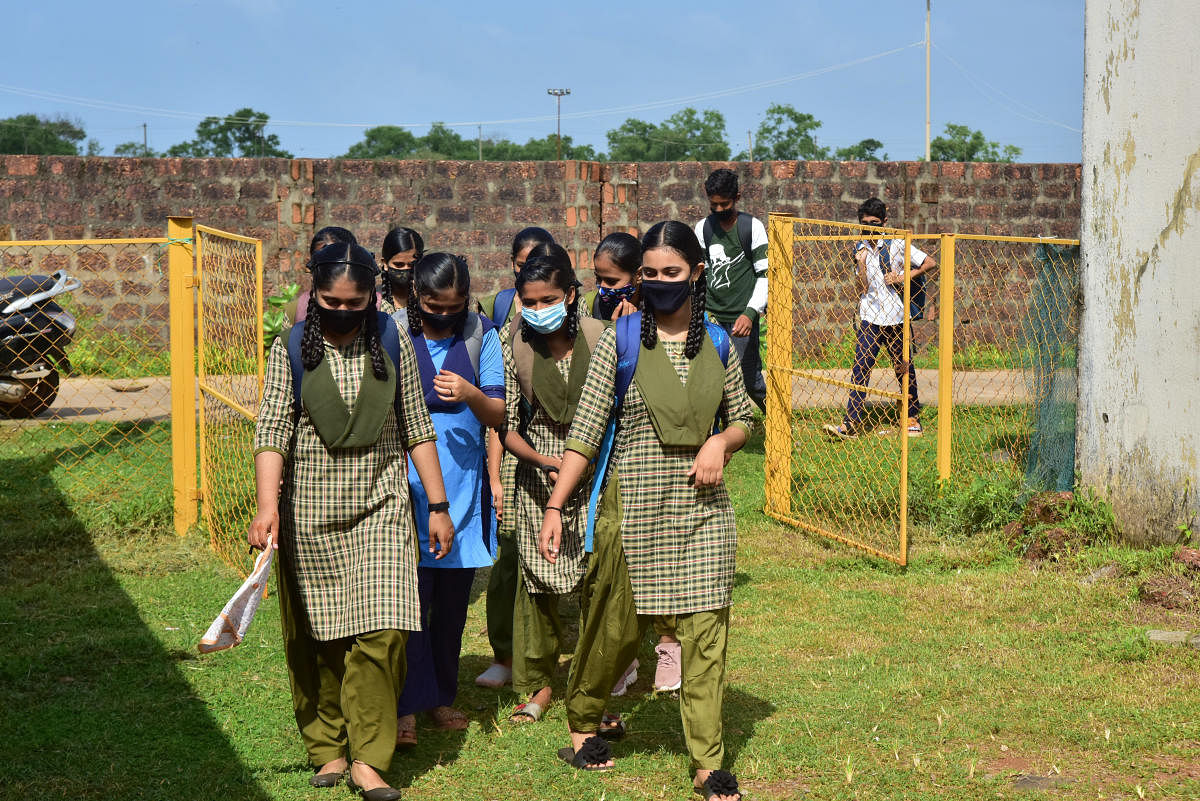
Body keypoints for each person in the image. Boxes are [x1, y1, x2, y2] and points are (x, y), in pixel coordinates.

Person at [538, 220, 752, 801]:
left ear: (697, 274)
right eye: (650, 274)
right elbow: (585, 430)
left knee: (705, 633)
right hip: (633, 509)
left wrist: (719, 443)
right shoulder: (621, 340)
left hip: (704, 510)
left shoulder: (719, 342)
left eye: (671, 273)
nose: (658, 283)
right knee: (616, 626)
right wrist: (557, 505)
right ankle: (583, 724)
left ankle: (708, 763)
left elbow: (744, 416)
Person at [249, 242, 455, 800]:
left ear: (371, 296)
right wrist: (268, 507)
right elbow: (272, 432)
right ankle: (328, 746)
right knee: (322, 636)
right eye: (330, 301)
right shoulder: (290, 347)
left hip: (382, 506)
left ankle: (369, 759)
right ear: (314, 293)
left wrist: (438, 506)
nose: (342, 311)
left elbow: (417, 425)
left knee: (383, 629)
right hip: (310, 511)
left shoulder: (391, 342)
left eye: (354, 301)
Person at [394, 252, 505, 746]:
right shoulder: (392, 331)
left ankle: (441, 695)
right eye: (433, 305)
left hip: (462, 486)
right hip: (403, 483)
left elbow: (499, 412)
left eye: (454, 305)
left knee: (451, 603)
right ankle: (405, 706)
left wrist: (470, 393)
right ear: (415, 294)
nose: (443, 313)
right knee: (407, 600)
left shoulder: (482, 334)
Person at [497, 244, 608, 723]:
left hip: (599, 468)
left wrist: (578, 459)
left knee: (598, 578)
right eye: (530, 302)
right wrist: (543, 460)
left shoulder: (603, 338)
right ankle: (537, 684)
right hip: (538, 470)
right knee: (535, 578)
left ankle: (594, 686)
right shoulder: (513, 346)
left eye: (549, 299)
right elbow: (504, 424)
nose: (539, 310)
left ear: (571, 293)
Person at [474, 226, 557, 689]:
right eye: (524, 264)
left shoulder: (577, 319)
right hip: (512, 449)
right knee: (507, 558)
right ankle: (504, 654)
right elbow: (500, 415)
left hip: (562, 453)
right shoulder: (502, 312)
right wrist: (496, 477)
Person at [824, 197, 937, 439]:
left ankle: (911, 415)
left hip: (896, 317)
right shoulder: (860, 247)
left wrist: (903, 276)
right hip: (870, 317)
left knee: (903, 368)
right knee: (861, 368)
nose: (870, 228)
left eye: (875, 223)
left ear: (885, 222)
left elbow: (930, 262)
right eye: (865, 224)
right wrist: (861, 265)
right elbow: (862, 288)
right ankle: (850, 423)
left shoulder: (897, 243)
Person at [694, 168, 768, 414]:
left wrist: (750, 313)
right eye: (713, 204)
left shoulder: (752, 228)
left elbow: (765, 276)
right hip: (710, 316)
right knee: (709, 377)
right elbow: (699, 275)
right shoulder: (702, 229)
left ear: (737, 196)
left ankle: (780, 425)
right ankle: (716, 431)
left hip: (741, 318)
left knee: (749, 380)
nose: (717, 210)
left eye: (723, 204)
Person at [287, 226, 358, 324]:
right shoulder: (294, 311)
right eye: (322, 263)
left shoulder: (379, 307)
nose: (330, 270)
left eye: (337, 261)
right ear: (311, 266)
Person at [582, 232, 640, 321]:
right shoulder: (588, 305)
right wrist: (615, 329)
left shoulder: (657, 309)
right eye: (598, 278)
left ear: (638, 275)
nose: (602, 287)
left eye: (611, 281)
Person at [378, 226, 424, 316]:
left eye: (412, 265)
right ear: (385, 264)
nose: (406, 269)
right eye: (399, 265)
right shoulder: (375, 300)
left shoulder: (428, 299)